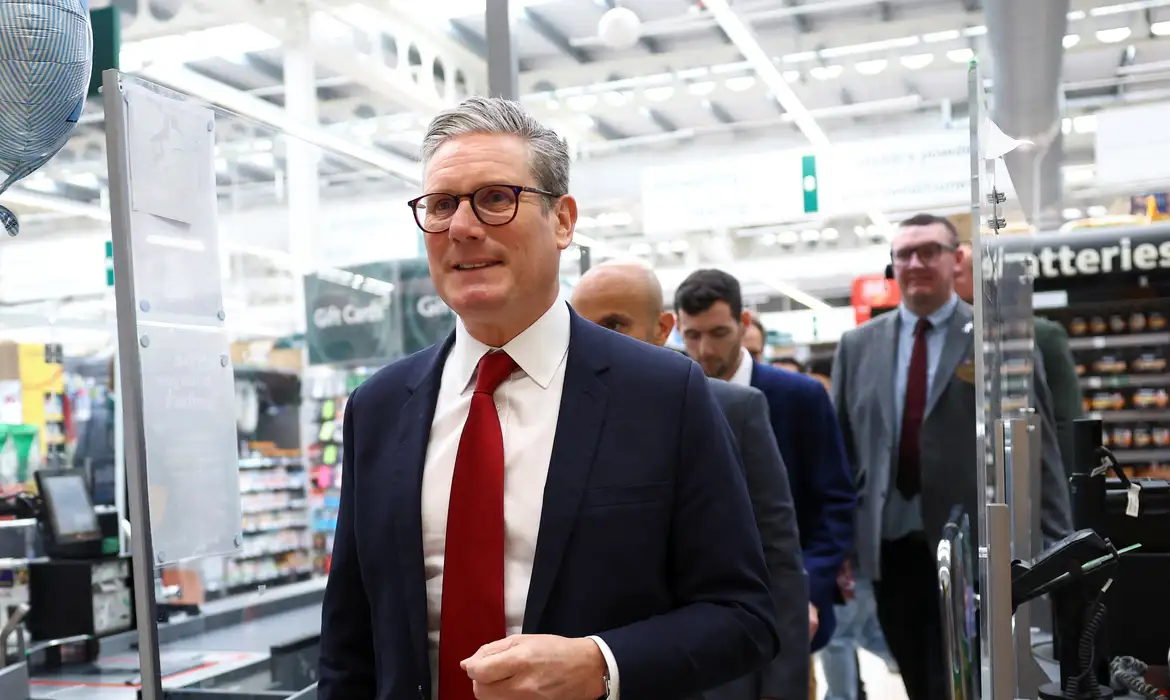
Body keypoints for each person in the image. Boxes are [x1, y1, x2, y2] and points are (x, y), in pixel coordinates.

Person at [318, 97, 779, 700]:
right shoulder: (378, 409)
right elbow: (349, 644)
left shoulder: (664, 395)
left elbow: (742, 615)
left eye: (495, 198)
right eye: (440, 204)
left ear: (562, 221)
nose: (461, 226)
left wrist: (601, 663)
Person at [830, 212, 1073, 700]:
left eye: (929, 252)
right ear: (892, 266)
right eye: (904, 254)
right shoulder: (858, 345)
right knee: (914, 671)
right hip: (889, 543)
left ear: (955, 259)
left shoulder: (998, 336)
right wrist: (838, 542)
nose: (915, 263)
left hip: (974, 544)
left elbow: (1039, 444)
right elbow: (842, 449)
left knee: (971, 676)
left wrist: (1057, 538)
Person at [571, 259, 810, 700]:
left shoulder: (734, 408)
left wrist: (784, 684)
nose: (592, 341)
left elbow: (777, 560)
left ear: (663, 328)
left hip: (720, 673)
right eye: (579, 325)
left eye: (614, 324)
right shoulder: (561, 423)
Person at [673, 269, 855, 654]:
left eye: (718, 333)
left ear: (742, 324)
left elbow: (835, 502)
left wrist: (806, 587)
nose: (705, 350)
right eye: (692, 335)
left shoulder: (800, 397)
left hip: (791, 604)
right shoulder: (671, 397)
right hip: (699, 613)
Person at [954, 241, 1084, 475]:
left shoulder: (1041, 335)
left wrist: (1066, 492)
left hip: (1025, 478)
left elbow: (1066, 422)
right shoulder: (939, 338)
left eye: (959, 270)